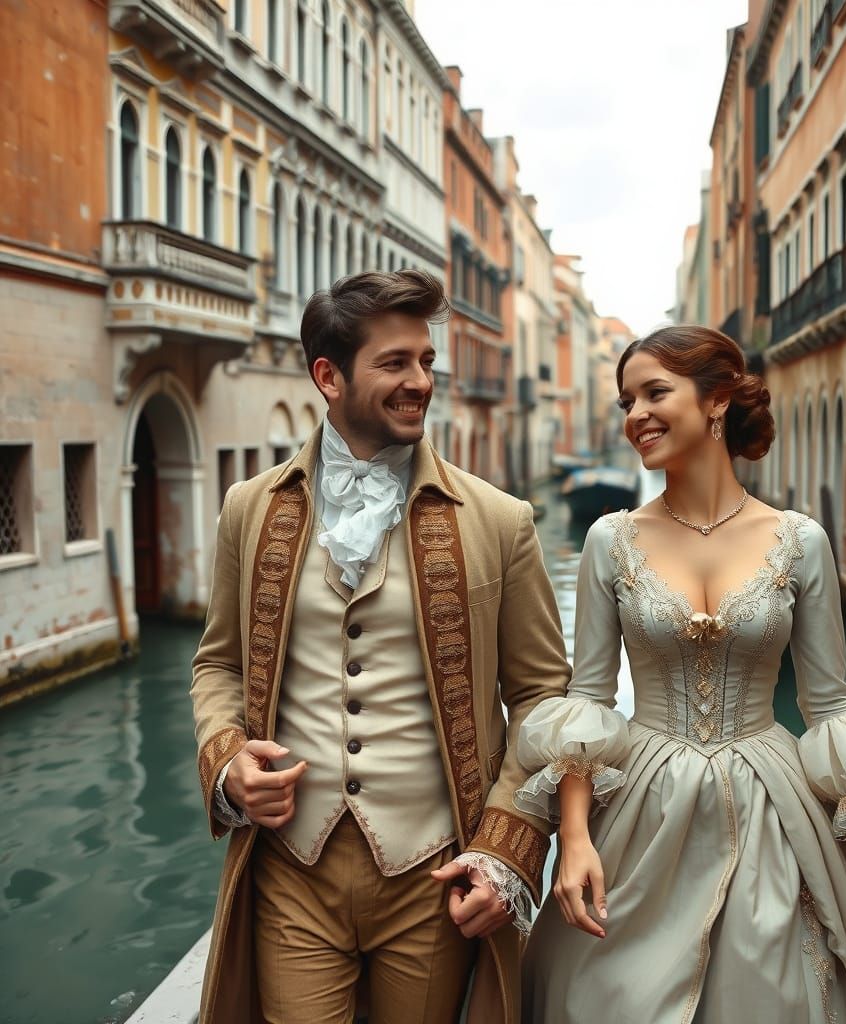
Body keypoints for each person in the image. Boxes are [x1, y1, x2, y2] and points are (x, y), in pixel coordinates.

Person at [515, 324, 846, 1023]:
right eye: (626, 401)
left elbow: (830, 709)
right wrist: (576, 839)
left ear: (716, 401)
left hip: (774, 799)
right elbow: (587, 700)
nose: (634, 415)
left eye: (654, 392)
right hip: (642, 807)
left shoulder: (801, 541)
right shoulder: (607, 541)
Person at [190, 270, 570, 1024]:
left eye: (425, 362)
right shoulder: (250, 507)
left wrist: (508, 848)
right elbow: (220, 664)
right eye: (395, 364)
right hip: (292, 868)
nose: (420, 382)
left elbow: (541, 699)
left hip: (432, 875)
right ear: (327, 376)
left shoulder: (500, 520)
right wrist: (229, 759)